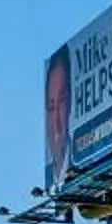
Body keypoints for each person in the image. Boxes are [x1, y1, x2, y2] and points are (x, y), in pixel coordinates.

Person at [41, 46, 73, 188]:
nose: (56, 120)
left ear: (70, 101)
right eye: (51, 106)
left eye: (61, 101)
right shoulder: (51, 177)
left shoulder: (82, 159)